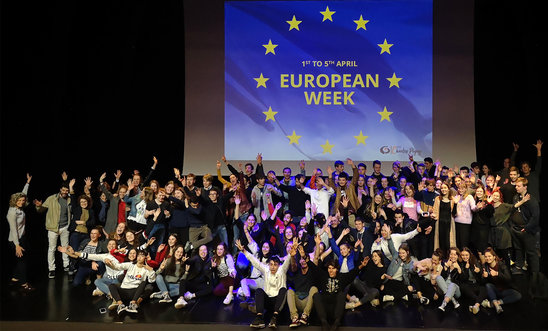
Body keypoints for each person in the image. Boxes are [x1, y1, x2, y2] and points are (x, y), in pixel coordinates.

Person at [237, 239, 292, 329]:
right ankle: (259, 318)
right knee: (259, 291)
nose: (273, 267)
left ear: (279, 265)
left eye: (275, 265)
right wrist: (244, 251)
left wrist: (290, 254)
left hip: (278, 302)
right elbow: (255, 262)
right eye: (271, 264)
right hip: (268, 301)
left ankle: (275, 318)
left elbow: (287, 261)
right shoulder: (266, 269)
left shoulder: (282, 270)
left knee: (283, 290)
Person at [34, 177, 74, 278]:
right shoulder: (52, 198)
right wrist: (39, 206)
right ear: (60, 190)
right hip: (53, 228)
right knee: (52, 249)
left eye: (67, 190)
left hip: (65, 227)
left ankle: (66, 265)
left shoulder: (69, 199)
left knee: (65, 247)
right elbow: (41, 210)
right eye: (63, 190)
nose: (65, 192)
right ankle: (51, 269)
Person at [510, 177, 540, 295]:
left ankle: (535, 276)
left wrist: (526, 228)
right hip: (516, 229)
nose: (516, 187)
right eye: (516, 186)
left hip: (526, 230)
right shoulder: (516, 197)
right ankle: (519, 270)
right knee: (518, 249)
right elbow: (513, 209)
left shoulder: (532, 200)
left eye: (518, 186)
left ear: (525, 187)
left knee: (531, 253)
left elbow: (535, 217)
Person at [107, 249, 157, 314]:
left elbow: (151, 280)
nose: (139, 257)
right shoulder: (130, 265)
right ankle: (120, 305)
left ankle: (132, 304)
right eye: (138, 255)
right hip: (124, 290)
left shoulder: (146, 269)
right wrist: (107, 262)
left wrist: (151, 270)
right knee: (111, 285)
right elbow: (117, 267)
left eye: (142, 256)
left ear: (145, 258)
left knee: (144, 282)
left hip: (135, 292)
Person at [7, 173, 33, 290]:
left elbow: (24, 194)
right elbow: (13, 230)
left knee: (24, 259)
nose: (22, 202)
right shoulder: (12, 212)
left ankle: (14, 278)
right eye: (20, 200)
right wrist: (17, 245)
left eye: (23, 200)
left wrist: (27, 183)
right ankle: (23, 284)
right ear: (15, 200)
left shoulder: (20, 208)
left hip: (22, 238)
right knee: (22, 262)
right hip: (15, 240)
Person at [481, 247, 522, 314]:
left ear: (494, 257)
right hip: (495, 290)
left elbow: (508, 279)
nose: (487, 258)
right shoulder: (485, 266)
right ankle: (497, 306)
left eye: (489, 256)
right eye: (485, 257)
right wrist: (484, 277)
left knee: (518, 295)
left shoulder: (501, 265)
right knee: (488, 285)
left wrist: (497, 273)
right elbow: (483, 283)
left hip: (505, 290)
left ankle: (494, 303)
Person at [287, 243, 318, 328]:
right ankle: (294, 318)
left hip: (308, 302)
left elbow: (316, 259)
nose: (303, 261)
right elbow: (293, 266)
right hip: (298, 301)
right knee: (289, 291)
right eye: (301, 259)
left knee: (314, 289)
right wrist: (293, 256)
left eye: (304, 259)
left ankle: (305, 316)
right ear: (299, 261)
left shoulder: (312, 271)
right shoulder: (297, 270)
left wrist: (318, 244)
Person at [458, 247, 487, 314]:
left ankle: (476, 305)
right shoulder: (460, 264)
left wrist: (479, 272)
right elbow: (462, 280)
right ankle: (481, 302)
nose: (465, 257)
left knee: (484, 288)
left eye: (466, 255)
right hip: (467, 286)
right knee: (463, 286)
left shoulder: (475, 262)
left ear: (470, 255)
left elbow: (481, 280)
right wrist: (466, 269)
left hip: (476, 284)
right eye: (463, 255)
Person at [432, 182, 457, 255]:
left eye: (445, 188)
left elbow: (454, 213)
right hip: (440, 223)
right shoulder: (437, 199)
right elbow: (435, 211)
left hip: (449, 223)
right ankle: (440, 258)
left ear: (449, 189)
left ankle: (449, 258)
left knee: (449, 242)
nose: (443, 189)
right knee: (440, 242)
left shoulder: (452, 199)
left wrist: (455, 204)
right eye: (442, 188)